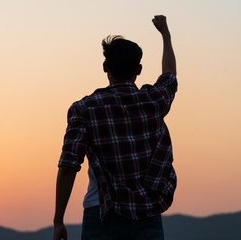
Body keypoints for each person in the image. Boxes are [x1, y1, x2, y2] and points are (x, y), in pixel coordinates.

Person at [53, 15, 177, 240]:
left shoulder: (85, 109)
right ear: (139, 70)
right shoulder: (153, 102)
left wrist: (58, 220)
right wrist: (166, 36)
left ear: (105, 66)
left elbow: (69, 165)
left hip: (101, 215)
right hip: (147, 214)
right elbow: (169, 76)